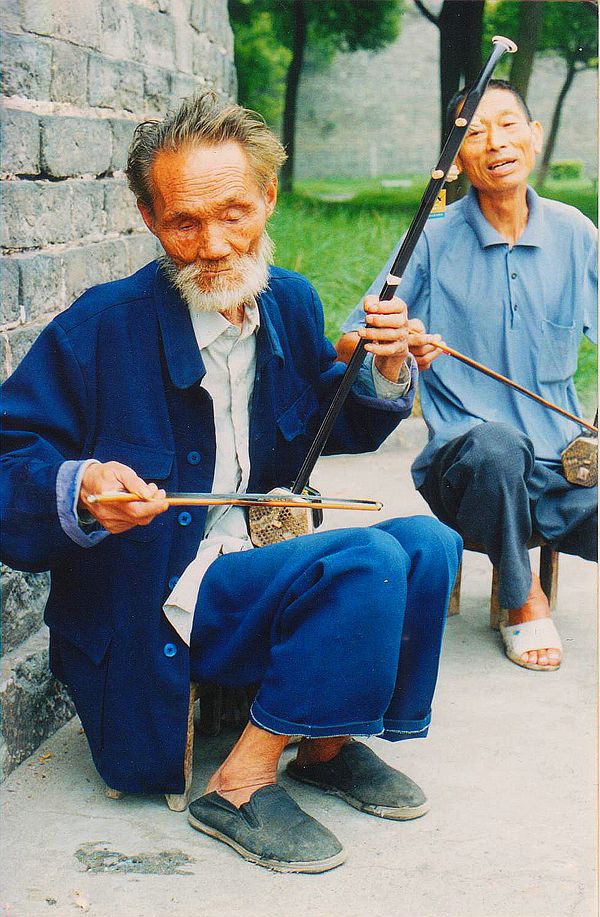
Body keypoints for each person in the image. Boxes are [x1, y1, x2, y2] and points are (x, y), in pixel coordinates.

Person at [1, 93, 462, 873]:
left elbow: (324, 423)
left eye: (234, 212)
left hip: (247, 574)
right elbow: (10, 460)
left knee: (426, 542)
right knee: (361, 563)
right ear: (150, 218)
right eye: (184, 221)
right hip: (152, 610)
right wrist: (80, 488)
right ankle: (239, 784)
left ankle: (323, 744)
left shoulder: (287, 301)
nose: (212, 245)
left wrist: (384, 367)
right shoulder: (97, 329)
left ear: (268, 198)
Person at [338, 80, 597, 674]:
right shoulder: (429, 240)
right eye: (473, 132)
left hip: (564, 473)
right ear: (455, 159)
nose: (494, 142)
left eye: (507, 124)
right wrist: (394, 342)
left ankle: (529, 550)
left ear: (535, 136)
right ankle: (519, 597)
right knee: (497, 445)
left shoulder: (576, 233)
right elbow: (349, 338)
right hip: (467, 471)